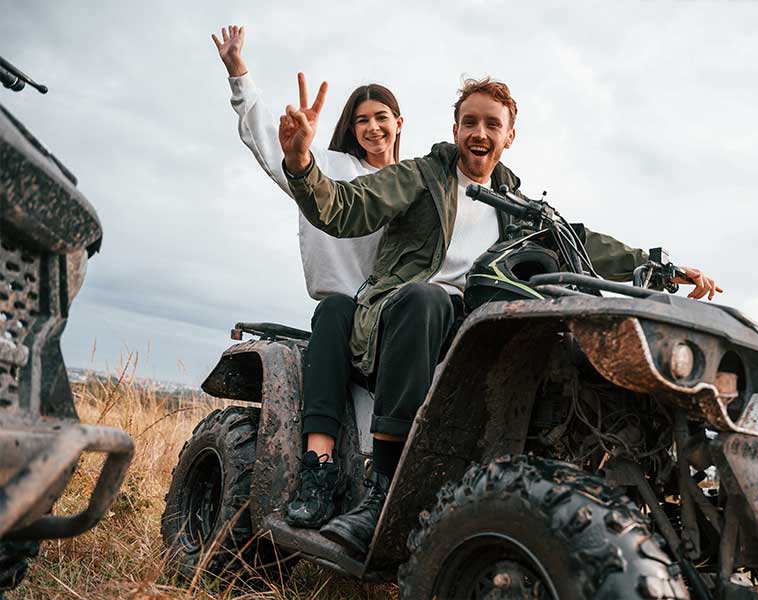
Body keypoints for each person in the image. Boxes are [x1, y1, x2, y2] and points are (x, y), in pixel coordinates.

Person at [278, 75, 722, 555]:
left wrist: (662, 267)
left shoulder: (522, 208)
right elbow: (347, 207)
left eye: (493, 124)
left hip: (474, 334)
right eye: (470, 122)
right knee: (425, 297)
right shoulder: (420, 177)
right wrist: (301, 163)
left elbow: (585, 242)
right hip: (401, 320)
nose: (479, 133)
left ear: (509, 136)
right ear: (455, 129)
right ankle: (383, 490)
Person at [212, 25, 408, 528]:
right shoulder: (331, 167)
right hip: (343, 317)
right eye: (362, 119)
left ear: (398, 123)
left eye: (381, 117)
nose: (372, 128)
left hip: (396, 320)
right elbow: (274, 150)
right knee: (337, 308)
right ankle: (317, 468)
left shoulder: (413, 185)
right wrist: (239, 73)